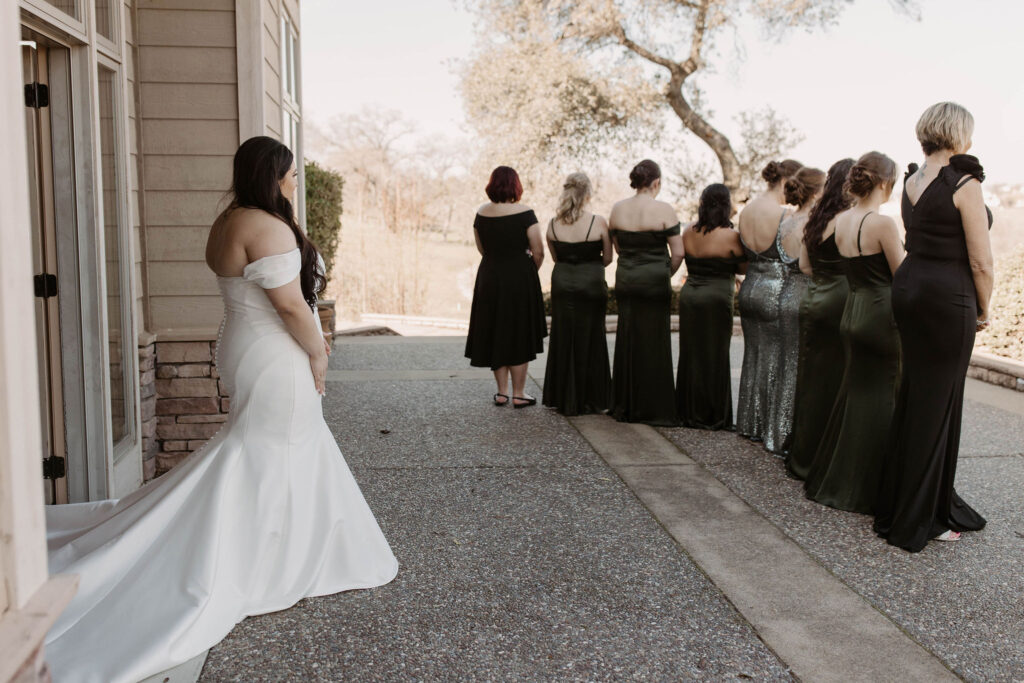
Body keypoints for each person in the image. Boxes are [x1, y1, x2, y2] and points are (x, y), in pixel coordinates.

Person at [43, 137, 398, 683]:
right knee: (264, 450)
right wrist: (319, 358)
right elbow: (290, 306)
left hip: (242, 343)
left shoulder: (228, 221)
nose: (296, 183)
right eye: (292, 174)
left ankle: (281, 549)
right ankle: (247, 558)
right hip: (277, 352)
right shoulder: (267, 226)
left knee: (272, 449)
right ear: (275, 174)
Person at [874, 103, 993, 551]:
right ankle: (921, 518)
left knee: (916, 396)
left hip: (909, 290)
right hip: (948, 296)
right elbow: (981, 261)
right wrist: (984, 309)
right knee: (939, 404)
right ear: (961, 134)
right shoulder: (966, 185)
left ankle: (900, 504)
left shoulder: (911, 181)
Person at [805, 152, 904, 513]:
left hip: (852, 314)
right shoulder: (883, 224)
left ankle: (839, 479)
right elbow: (902, 277)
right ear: (884, 182)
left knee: (856, 395)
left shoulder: (842, 220)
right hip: (880, 316)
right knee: (882, 397)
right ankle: (869, 489)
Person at [785, 158, 855, 479]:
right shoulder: (849, 220)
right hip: (841, 300)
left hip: (813, 300)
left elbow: (805, 267)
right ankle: (827, 458)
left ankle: (803, 454)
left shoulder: (815, 219)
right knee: (837, 378)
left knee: (811, 378)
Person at [608, 160, 683, 426]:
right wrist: (663, 273)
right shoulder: (663, 209)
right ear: (656, 183)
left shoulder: (617, 209)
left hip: (627, 278)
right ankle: (654, 407)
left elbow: (617, 247)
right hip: (654, 280)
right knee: (655, 340)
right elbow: (679, 253)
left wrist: (633, 266)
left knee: (628, 336)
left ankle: (625, 403)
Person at [465, 166, 547, 408]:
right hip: (519, 277)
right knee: (518, 333)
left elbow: (482, 249)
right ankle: (519, 393)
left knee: (495, 330)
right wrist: (529, 270)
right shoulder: (525, 213)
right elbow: (539, 251)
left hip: (489, 277)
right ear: (516, 186)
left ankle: (501, 392)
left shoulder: (481, 213)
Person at [736, 159, 802, 448]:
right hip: (775, 288)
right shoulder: (784, 214)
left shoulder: (746, 211)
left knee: (754, 357)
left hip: (749, 286)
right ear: (786, 180)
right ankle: (773, 430)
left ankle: (750, 422)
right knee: (778, 361)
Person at [675, 183, 746, 429]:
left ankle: (688, 412)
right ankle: (714, 414)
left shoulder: (688, 231)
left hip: (690, 297)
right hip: (717, 299)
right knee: (715, 354)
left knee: (691, 354)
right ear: (726, 205)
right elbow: (743, 268)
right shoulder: (731, 236)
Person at [764, 167, 824, 453]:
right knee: (800, 368)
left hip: (783, 295)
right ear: (816, 191)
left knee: (784, 364)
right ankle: (792, 435)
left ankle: (775, 434)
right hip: (803, 295)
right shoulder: (814, 222)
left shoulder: (786, 219)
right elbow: (808, 266)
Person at [542, 172, 613, 415]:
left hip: (562, 284)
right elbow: (608, 258)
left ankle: (562, 396)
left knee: (563, 337)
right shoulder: (598, 222)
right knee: (591, 337)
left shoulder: (552, 224)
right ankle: (591, 398)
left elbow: (555, 257)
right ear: (588, 194)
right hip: (590, 283)